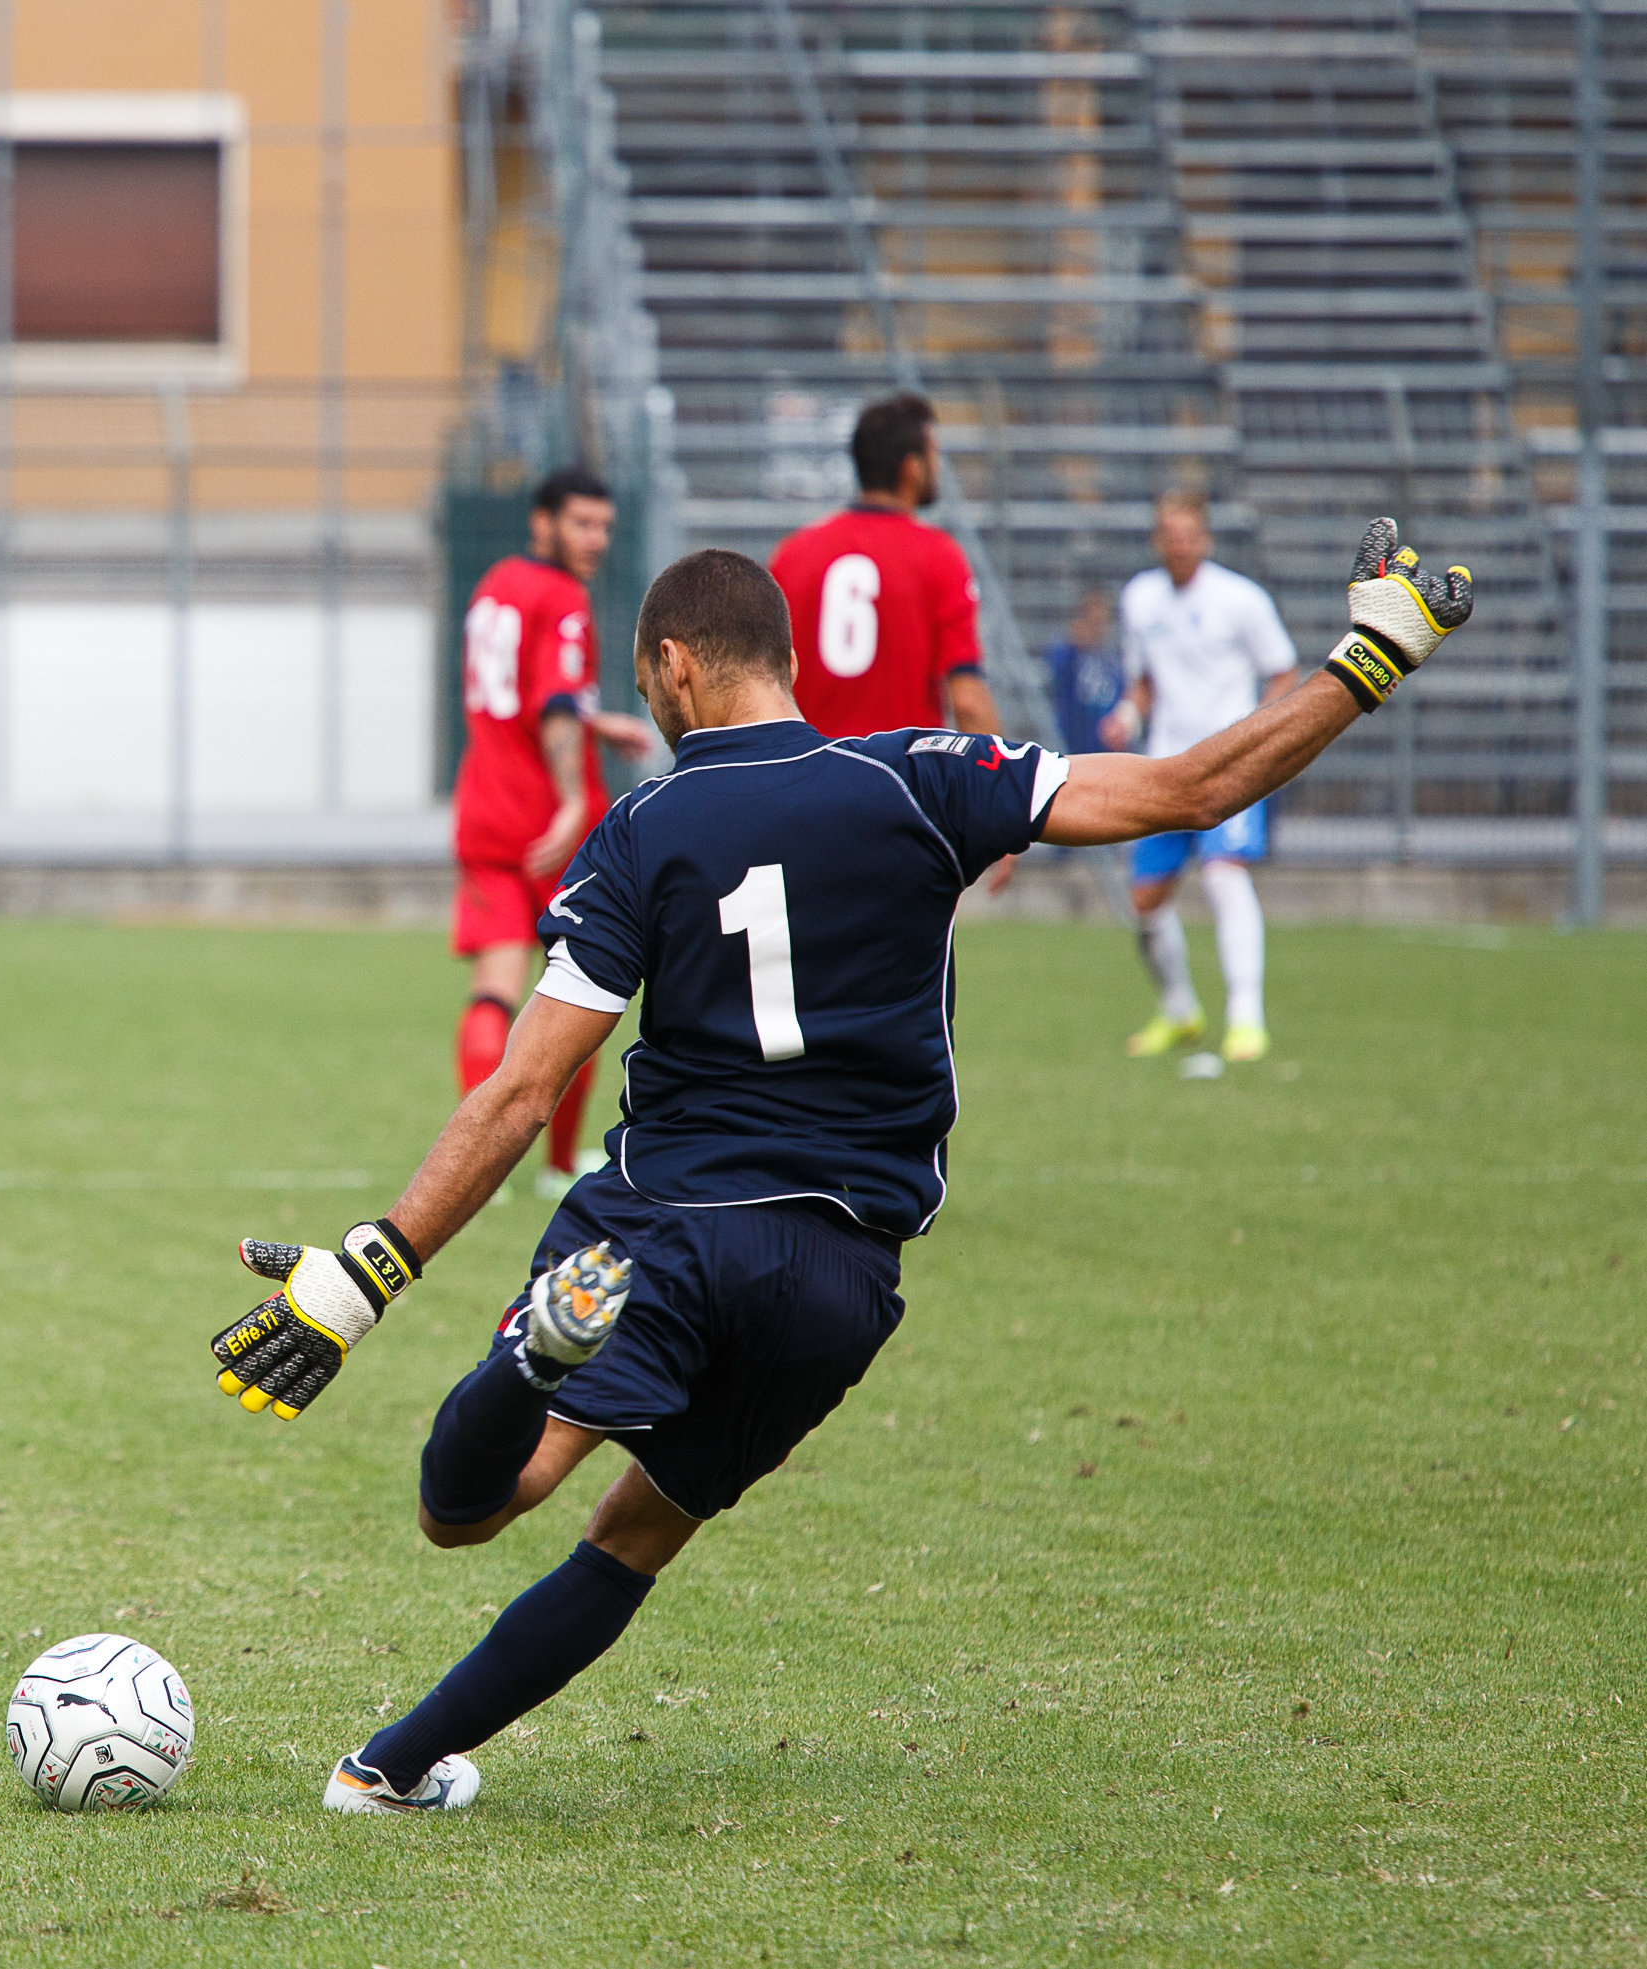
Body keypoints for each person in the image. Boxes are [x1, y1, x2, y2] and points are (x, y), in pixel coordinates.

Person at [206, 522, 1468, 1813]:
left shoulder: (643, 829)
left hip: (660, 1230)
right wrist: (1367, 658)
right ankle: (390, 1767)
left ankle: (536, 1357)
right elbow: (1193, 788)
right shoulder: (924, 777)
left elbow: (525, 1090)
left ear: (678, 665)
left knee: (473, 1506)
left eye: (649, 681)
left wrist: (367, 1275)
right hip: (841, 1274)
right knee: (638, 1536)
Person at [449, 467, 659, 1203]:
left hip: (483, 807)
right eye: (580, 523)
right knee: (576, 991)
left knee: (493, 990)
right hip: (545, 818)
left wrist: (596, 722)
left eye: (603, 525)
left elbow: (520, 696)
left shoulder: (495, 584)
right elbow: (552, 707)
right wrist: (573, 799)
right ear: (541, 522)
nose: (595, 539)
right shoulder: (563, 598)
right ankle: (556, 1163)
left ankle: (478, 1166)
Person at [767, 393, 1016, 891]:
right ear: (911, 467)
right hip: (904, 795)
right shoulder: (938, 556)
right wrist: (1002, 813)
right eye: (934, 454)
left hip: (807, 797)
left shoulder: (792, 556)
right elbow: (966, 697)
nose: (937, 467)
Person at [1104, 493, 1301, 1062]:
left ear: (1206, 539)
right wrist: (1126, 716)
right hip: (1166, 767)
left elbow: (1283, 671)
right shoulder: (1140, 598)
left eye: (1189, 533)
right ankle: (1179, 1010)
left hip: (1228, 770)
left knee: (1223, 876)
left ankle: (1245, 1017)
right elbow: (1144, 683)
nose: (1180, 543)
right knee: (1145, 900)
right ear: (1157, 540)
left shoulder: (1240, 599)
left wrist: (1255, 736)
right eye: (1170, 533)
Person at [1046, 591, 1124, 756]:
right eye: (1092, 618)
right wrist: (1074, 646)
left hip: (1107, 744)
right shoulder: (1067, 651)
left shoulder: (1115, 660)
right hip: (1073, 739)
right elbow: (1057, 675)